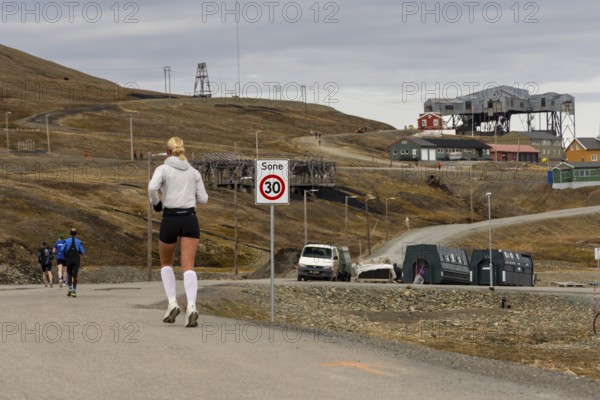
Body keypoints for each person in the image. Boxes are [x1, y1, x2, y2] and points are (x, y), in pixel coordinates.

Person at [148, 137, 208, 328]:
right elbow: (204, 199)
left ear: (167, 152)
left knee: (166, 263)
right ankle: (191, 306)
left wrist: (157, 203)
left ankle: (172, 303)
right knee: (188, 266)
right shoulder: (194, 172)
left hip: (170, 219)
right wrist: (190, 196)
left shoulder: (163, 169)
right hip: (190, 219)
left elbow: (152, 187)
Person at [60, 228, 85, 298]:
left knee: (69, 273)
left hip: (68, 259)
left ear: (70, 233)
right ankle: (74, 290)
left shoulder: (66, 241)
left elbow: (62, 249)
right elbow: (82, 251)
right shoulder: (79, 241)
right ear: (76, 234)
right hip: (76, 259)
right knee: (75, 275)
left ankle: (70, 287)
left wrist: (65, 253)